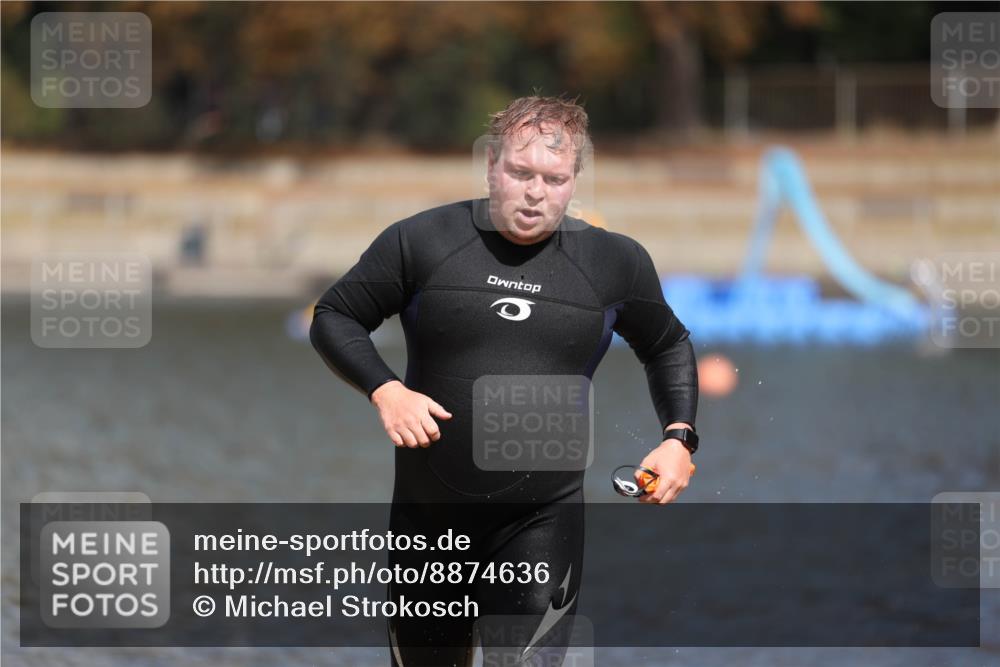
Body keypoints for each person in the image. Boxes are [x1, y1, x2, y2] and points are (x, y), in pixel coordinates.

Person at [310, 95, 699, 666]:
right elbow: (334, 317)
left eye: (554, 178)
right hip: (430, 524)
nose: (536, 192)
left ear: (574, 181)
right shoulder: (423, 242)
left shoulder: (614, 263)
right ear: (492, 164)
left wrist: (678, 437)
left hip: (542, 524)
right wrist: (386, 389)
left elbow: (666, 343)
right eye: (520, 173)